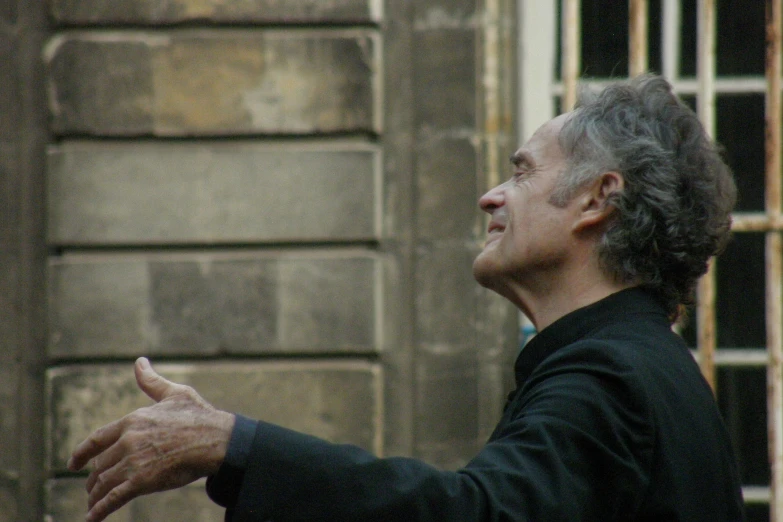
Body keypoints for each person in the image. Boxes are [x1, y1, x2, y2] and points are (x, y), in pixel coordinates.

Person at [68, 75, 745, 521]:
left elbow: (471, 515)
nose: (490, 196)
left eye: (521, 173)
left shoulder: (612, 375)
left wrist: (233, 445)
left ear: (598, 199)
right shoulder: (645, 365)